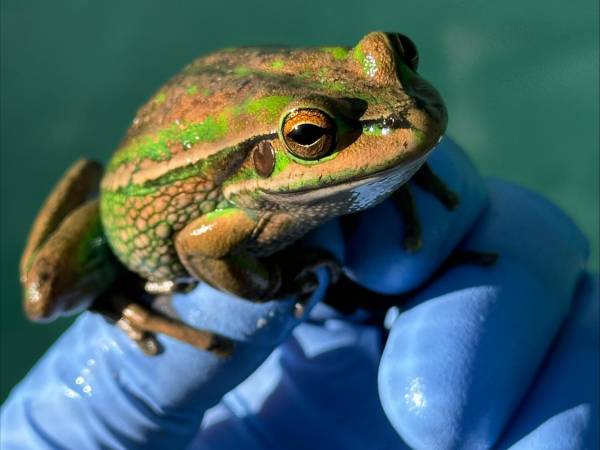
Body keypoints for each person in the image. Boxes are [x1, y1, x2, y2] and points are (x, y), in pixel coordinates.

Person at [1, 138, 597, 449]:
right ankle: (116, 303)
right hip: (138, 202)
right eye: (314, 135)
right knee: (43, 292)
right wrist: (273, 284)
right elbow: (199, 245)